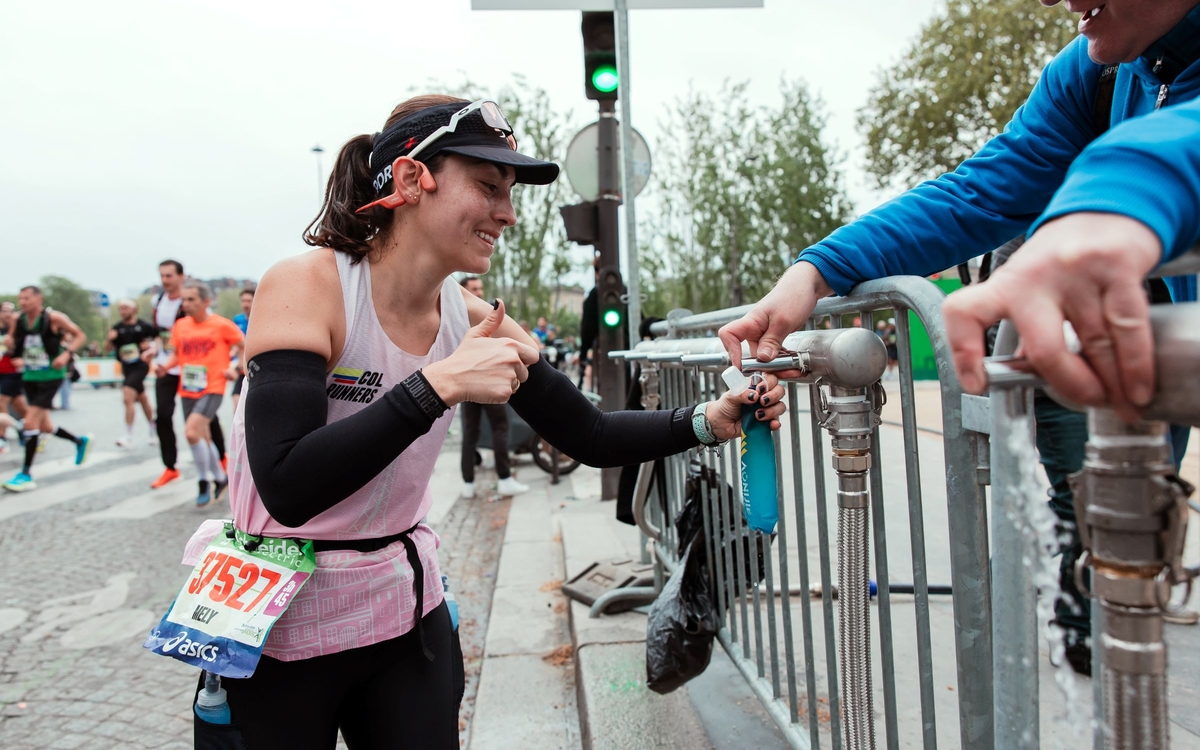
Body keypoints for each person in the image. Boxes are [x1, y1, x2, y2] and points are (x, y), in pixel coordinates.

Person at [171, 95, 786, 749]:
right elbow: (288, 486)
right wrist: (438, 384)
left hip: (399, 617)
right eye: (489, 187)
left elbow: (591, 435)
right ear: (411, 180)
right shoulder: (307, 285)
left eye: (511, 192)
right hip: (277, 620)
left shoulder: (468, 315)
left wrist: (708, 420)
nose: (508, 213)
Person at [720, 0, 1200, 676]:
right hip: (1155, 379)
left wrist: (1113, 192)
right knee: (1100, 519)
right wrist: (818, 268)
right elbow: (979, 192)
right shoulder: (1096, 70)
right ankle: (1086, 635)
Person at [157, 280, 243, 507]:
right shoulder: (181, 326)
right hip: (188, 388)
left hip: (213, 387)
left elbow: (246, 346)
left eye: (191, 299)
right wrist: (165, 366)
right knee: (201, 436)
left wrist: (235, 368)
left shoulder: (221, 325)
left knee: (191, 433)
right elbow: (177, 354)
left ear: (206, 301)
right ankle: (220, 478)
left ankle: (204, 480)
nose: (185, 304)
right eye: (184, 299)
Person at [3, 286, 92, 492]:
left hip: (52, 376)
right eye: (20, 299)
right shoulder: (18, 320)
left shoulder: (53, 318)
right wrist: (11, 348)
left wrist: (66, 354)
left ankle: (25, 473)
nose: (23, 302)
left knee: (30, 421)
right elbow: (14, 345)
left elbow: (79, 335)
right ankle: (79, 441)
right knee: (44, 426)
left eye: (27, 298)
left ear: (38, 298)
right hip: (30, 374)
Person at [147, 260, 227, 489]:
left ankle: (220, 461)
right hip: (168, 364)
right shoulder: (158, 301)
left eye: (169, 276)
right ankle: (170, 467)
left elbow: (209, 332)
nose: (164, 280)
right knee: (163, 415)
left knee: (205, 421)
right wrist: (155, 350)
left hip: (196, 371)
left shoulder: (195, 304)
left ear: (181, 277)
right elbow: (161, 335)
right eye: (161, 276)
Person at [457, 275, 528, 498]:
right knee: (497, 427)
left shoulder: (455, 313)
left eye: (480, 288)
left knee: (472, 431)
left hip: (469, 378)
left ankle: (469, 484)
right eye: (474, 289)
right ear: (466, 291)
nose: (478, 292)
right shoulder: (475, 313)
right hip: (481, 378)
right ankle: (503, 479)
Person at [104, 299, 157, 448]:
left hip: (141, 365)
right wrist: (109, 339)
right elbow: (107, 348)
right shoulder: (117, 328)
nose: (122, 312)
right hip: (126, 367)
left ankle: (127, 435)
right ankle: (153, 428)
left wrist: (150, 346)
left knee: (127, 395)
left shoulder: (144, 326)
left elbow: (159, 339)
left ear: (134, 310)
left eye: (125, 308)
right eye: (120, 309)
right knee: (142, 398)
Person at [0, 302, 29, 449]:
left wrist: (10, 345)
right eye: (5, 311)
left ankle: (2, 437)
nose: (8, 314)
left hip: (12, 372)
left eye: (11, 311)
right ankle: (31, 429)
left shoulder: (16, 331)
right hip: (1, 372)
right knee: (21, 407)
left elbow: (19, 351)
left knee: (1, 402)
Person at [230, 286, 255, 413]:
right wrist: (232, 353)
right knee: (236, 399)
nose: (245, 304)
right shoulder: (238, 319)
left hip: (254, 365)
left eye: (249, 301)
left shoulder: (260, 319)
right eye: (243, 301)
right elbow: (237, 342)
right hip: (241, 365)